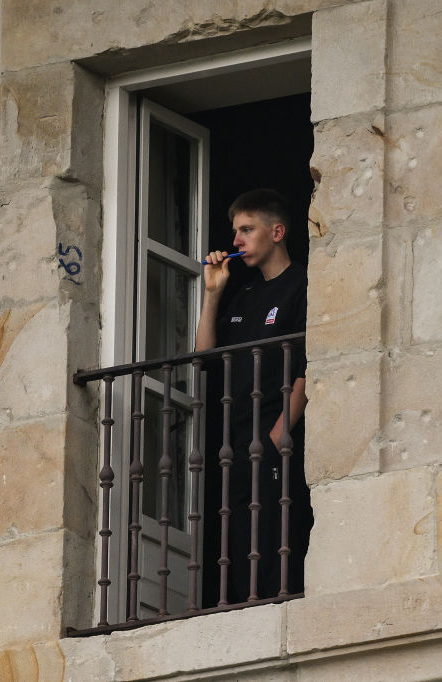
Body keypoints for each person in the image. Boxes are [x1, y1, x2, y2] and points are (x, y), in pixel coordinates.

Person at [196, 188, 312, 601]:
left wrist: (282, 428)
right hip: (237, 440)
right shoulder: (244, 295)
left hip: (275, 435)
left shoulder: (303, 283)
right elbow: (206, 357)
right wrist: (213, 293)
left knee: (275, 529)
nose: (236, 241)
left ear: (276, 232)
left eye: (247, 230)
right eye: (235, 231)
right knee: (241, 536)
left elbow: (309, 363)